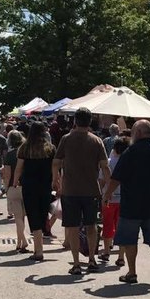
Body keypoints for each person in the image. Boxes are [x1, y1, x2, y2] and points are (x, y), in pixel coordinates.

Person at [102, 121, 150, 283]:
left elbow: (116, 178)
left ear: (139, 132)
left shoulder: (130, 153)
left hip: (131, 206)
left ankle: (132, 273)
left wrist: (107, 195)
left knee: (129, 239)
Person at [52, 108, 110, 276]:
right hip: (91, 190)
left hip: (70, 190)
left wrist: (55, 180)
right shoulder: (97, 141)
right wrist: (106, 189)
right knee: (91, 226)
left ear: (75, 121)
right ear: (90, 121)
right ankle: (92, 259)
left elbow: (56, 161)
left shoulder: (66, 139)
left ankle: (76, 263)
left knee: (73, 227)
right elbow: (105, 167)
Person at [13, 122, 56, 262]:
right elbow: (55, 169)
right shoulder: (50, 149)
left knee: (33, 215)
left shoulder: (24, 148)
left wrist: (14, 182)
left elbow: (19, 168)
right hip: (45, 186)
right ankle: (40, 246)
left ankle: (39, 250)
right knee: (43, 214)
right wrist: (57, 182)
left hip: (29, 186)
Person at [98, 137, 129, 264]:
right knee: (121, 227)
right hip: (124, 198)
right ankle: (121, 256)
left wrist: (101, 193)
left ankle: (106, 252)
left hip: (109, 198)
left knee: (107, 225)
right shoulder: (129, 163)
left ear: (114, 149)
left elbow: (101, 180)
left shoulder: (109, 162)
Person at [3, 131, 28, 252]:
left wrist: (6, 187)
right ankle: (20, 242)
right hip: (27, 186)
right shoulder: (27, 152)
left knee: (18, 217)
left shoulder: (10, 154)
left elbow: (7, 174)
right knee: (22, 217)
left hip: (14, 186)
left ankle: (23, 240)